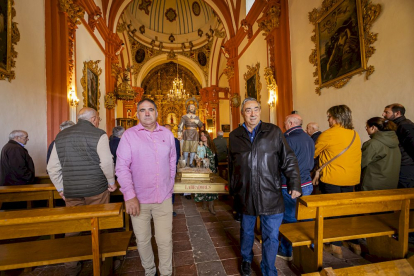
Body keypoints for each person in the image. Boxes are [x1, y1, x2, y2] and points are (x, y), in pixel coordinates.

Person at [229, 98, 301, 276]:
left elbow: (289, 159)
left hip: (270, 193)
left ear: (260, 111)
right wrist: (234, 190)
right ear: (242, 113)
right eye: (248, 110)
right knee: (246, 231)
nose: (252, 114)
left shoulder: (273, 132)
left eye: (255, 109)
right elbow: (232, 166)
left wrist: (294, 183)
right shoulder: (235, 136)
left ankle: (269, 269)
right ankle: (246, 258)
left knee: (271, 236)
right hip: (246, 193)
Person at [47, 108, 116, 275]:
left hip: (71, 191)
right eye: (98, 119)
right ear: (93, 119)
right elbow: (106, 163)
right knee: (99, 225)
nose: (98, 121)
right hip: (96, 189)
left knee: (73, 228)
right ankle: (101, 263)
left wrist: (62, 189)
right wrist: (111, 182)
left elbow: (52, 167)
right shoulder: (98, 134)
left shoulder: (61, 136)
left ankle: (71, 267)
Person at [116, 99, 176, 276]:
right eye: (143, 110)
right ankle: (149, 271)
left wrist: (169, 183)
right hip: (138, 199)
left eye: (151, 109)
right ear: (137, 114)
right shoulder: (129, 136)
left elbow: (172, 161)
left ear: (157, 113)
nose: (147, 113)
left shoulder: (167, 134)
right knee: (142, 240)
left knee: (165, 240)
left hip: (163, 196)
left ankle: (165, 273)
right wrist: (129, 195)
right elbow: (121, 167)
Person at [314, 104, 362, 258]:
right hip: (351, 179)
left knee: (332, 212)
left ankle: (336, 246)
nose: (328, 120)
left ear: (335, 118)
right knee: (346, 211)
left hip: (333, 178)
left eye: (329, 117)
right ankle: (354, 243)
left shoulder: (329, 134)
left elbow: (313, 153)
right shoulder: (354, 134)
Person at [278, 114, 315, 261]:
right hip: (307, 183)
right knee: (305, 217)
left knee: (289, 218)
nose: (284, 126)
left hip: (290, 184)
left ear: (291, 123)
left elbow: (282, 164)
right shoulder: (309, 138)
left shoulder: (288, 139)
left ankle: (286, 251)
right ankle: (308, 249)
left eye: (285, 123)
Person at [361, 117, 401, 191]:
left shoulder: (373, 144)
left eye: (367, 127)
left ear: (373, 127)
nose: (366, 129)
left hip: (372, 184)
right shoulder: (395, 142)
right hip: (390, 184)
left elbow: (361, 163)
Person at [383, 103, 414, 188]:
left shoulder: (406, 125)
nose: (383, 114)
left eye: (386, 112)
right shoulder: (396, 125)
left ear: (397, 113)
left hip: (406, 167)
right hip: (400, 165)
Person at [194, 130, 218, 215]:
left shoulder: (212, 145)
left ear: (207, 136)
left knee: (212, 189)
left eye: (204, 135)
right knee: (204, 187)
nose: (202, 137)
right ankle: (204, 203)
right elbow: (196, 158)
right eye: (201, 136)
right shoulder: (200, 146)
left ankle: (211, 206)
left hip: (213, 169)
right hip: (204, 169)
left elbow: (216, 157)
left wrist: (216, 167)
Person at [177, 101, 203, 167]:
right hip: (187, 133)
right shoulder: (184, 117)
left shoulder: (197, 117)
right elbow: (180, 126)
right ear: (188, 108)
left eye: (193, 107)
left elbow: (200, 125)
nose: (192, 108)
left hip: (194, 134)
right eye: (191, 107)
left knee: (193, 149)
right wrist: (179, 134)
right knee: (186, 149)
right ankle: (185, 162)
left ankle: (191, 163)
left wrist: (195, 121)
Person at [164, 124, 180, 217]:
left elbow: (177, 154)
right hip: (159, 169)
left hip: (171, 168)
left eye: (169, 131)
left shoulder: (175, 141)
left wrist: (172, 166)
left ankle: (170, 208)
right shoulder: (156, 139)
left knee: (171, 188)